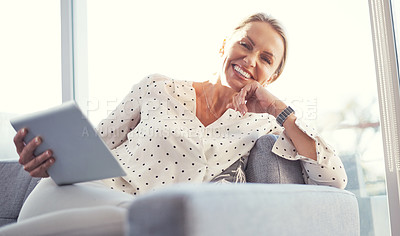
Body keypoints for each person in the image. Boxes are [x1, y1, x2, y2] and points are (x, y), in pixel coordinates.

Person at [11, 12, 347, 234]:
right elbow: (94, 144)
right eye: (245, 44)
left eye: (265, 58)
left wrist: (278, 108)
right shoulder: (157, 86)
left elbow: (333, 179)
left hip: (159, 216)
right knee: (154, 221)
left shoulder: (264, 127)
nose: (250, 59)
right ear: (223, 46)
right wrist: (47, 159)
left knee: (157, 219)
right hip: (81, 194)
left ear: (273, 75)